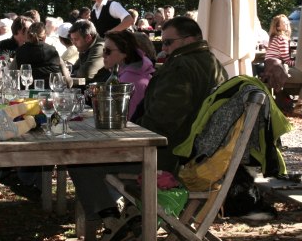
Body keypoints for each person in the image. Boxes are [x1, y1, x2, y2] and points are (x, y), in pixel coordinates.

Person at [68, 16, 228, 233]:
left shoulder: (182, 67)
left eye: (168, 42)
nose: (164, 49)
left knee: (82, 159)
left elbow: (162, 121)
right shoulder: (214, 64)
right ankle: (115, 218)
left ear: (190, 40)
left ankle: (111, 221)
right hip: (191, 153)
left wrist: (128, 132)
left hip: (167, 157)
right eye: (162, 43)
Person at [102, 31, 154, 119]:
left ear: (124, 53)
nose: (103, 55)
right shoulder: (130, 73)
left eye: (107, 51)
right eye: (103, 50)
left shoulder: (129, 80)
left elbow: (125, 120)